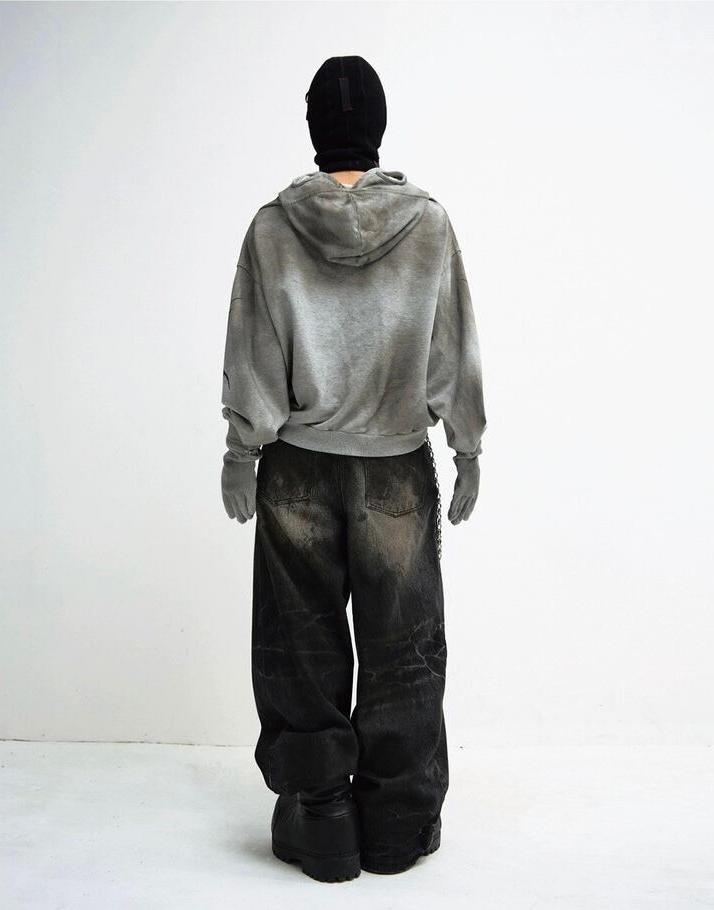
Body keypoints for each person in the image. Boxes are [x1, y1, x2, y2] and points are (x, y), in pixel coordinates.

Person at [220, 55, 486, 882]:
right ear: (378, 126)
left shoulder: (272, 228)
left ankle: (321, 813)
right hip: (395, 469)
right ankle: (396, 823)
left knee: (298, 642)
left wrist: (240, 450)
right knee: (403, 645)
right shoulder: (429, 224)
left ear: (313, 127)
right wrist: (467, 446)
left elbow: (253, 351)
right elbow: (452, 346)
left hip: (296, 468)